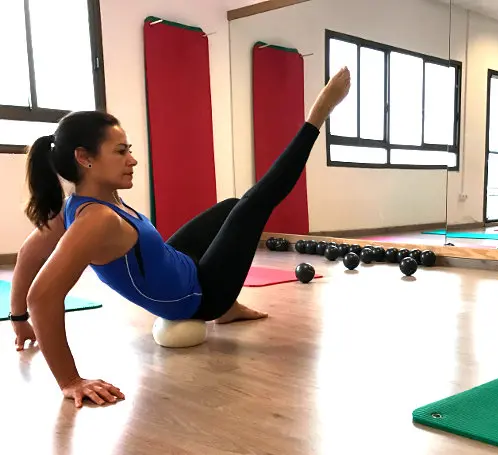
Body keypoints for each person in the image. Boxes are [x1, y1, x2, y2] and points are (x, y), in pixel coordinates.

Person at [8, 67, 352, 408]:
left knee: (232, 207)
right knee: (256, 202)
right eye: (120, 151)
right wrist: (70, 380)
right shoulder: (95, 219)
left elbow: (26, 255)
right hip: (200, 296)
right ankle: (316, 117)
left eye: (129, 149)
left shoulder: (80, 204)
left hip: (179, 266)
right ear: (84, 158)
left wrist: (18, 319)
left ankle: (229, 310)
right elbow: (43, 297)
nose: (133, 159)